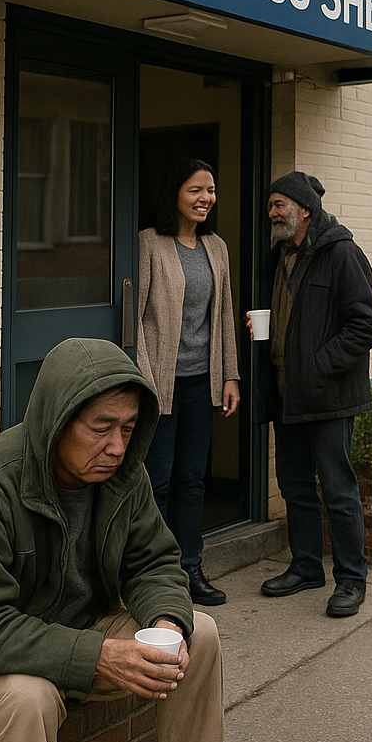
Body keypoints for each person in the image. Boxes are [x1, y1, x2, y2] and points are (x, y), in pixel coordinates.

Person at [0, 338, 224, 742]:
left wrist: (165, 621)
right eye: (102, 427)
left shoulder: (124, 474)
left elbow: (153, 563)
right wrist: (100, 655)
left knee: (199, 634)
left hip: (79, 630)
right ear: (58, 421)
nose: (118, 447)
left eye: (128, 427)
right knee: (27, 699)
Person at [250, 171, 372, 617]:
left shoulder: (342, 253)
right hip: (286, 395)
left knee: (339, 489)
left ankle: (350, 579)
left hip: (328, 397)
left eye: (279, 204)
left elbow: (367, 322)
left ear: (305, 208)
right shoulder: (277, 257)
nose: (272, 212)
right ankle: (306, 566)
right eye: (270, 205)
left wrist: (320, 365)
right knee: (294, 484)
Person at [138, 157, 241, 606]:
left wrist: (230, 376)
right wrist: (143, 379)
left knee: (192, 479)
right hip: (160, 383)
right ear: (174, 194)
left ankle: (190, 567)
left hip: (202, 382)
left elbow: (223, 317)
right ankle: (155, 573)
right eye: (196, 190)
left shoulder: (215, 246)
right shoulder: (149, 244)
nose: (206, 199)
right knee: (156, 479)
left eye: (211, 191)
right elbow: (135, 320)